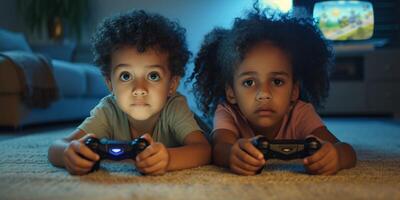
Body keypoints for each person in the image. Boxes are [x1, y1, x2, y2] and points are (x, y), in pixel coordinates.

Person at [189, 8, 357, 176]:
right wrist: (232, 154)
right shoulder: (227, 111)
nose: (264, 93)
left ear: (294, 90)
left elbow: (346, 150)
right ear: (231, 91)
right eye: (249, 82)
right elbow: (219, 148)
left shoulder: (300, 113)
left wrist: (336, 156)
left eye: (277, 81)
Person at [48, 10, 211, 175]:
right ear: (110, 83)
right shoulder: (109, 109)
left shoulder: (174, 106)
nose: (139, 89)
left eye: (153, 76)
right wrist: (69, 153)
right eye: (126, 76)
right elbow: (57, 146)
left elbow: (203, 149)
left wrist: (168, 158)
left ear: (172, 84)